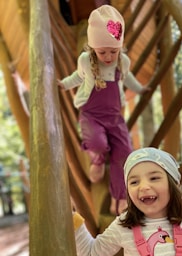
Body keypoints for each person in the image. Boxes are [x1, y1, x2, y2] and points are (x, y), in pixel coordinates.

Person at [58, 5, 149, 215]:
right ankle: (97, 160)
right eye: (102, 52)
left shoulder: (122, 62)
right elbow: (77, 77)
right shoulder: (86, 62)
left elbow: (130, 79)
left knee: (125, 154)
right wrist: (64, 84)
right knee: (98, 144)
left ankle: (119, 198)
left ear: (120, 48)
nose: (108, 56)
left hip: (115, 117)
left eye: (113, 51)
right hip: (91, 115)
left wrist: (140, 89)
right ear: (92, 48)